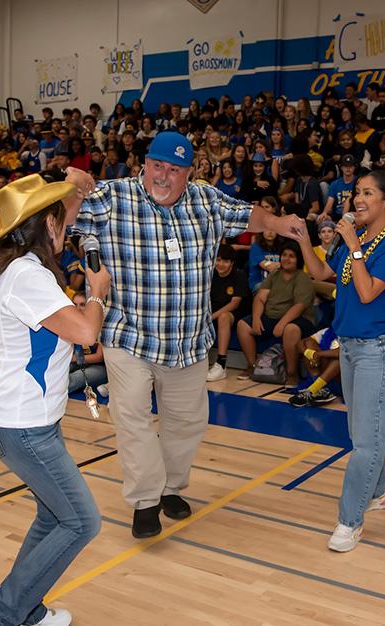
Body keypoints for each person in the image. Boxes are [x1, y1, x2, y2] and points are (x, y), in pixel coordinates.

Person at [72, 131, 304, 539]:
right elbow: (65, 211)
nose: (163, 176)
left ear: (189, 172)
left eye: (174, 169)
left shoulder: (206, 200)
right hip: (129, 337)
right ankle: (145, 502)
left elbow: (247, 215)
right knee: (132, 420)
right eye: (157, 165)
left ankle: (169, 488)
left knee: (187, 423)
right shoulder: (111, 197)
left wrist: (278, 222)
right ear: (144, 163)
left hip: (188, 341)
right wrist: (70, 181)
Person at [0, 172, 107, 626]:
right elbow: (85, 332)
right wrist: (97, 296)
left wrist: (75, 194)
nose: (65, 224)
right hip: (21, 423)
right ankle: (3, 614)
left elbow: (60, 217)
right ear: (46, 227)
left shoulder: (22, 267)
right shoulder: (28, 276)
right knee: (82, 521)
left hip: (20, 418)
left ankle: (19, 605)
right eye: (58, 218)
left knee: (52, 517)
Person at [292, 169, 385, 552]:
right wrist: (305, 242)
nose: (358, 199)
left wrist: (353, 244)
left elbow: (365, 292)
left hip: (376, 348)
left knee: (365, 443)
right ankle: (379, 491)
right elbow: (322, 273)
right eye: (357, 192)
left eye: (368, 193)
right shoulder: (355, 238)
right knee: (365, 434)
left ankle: (350, 522)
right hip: (350, 347)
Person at [236, 244, 317, 387]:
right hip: (272, 316)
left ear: (298, 260)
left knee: (290, 329)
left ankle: (292, 374)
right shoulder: (274, 274)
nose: (287, 259)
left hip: (299, 319)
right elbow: (260, 298)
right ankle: (253, 366)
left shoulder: (303, 278)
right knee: (243, 325)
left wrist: (282, 323)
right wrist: (256, 318)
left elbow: (299, 306)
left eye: (291, 256)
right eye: (284, 255)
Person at [207, 244, 249, 382]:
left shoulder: (239, 275)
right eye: (218, 260)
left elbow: (234, 304)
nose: (221, 264)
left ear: (231, 263)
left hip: (236, 313)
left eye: (225, 261)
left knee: (224, 317)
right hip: (214, 311)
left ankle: (221, 364)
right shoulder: (210, 275)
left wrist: (211, 317)